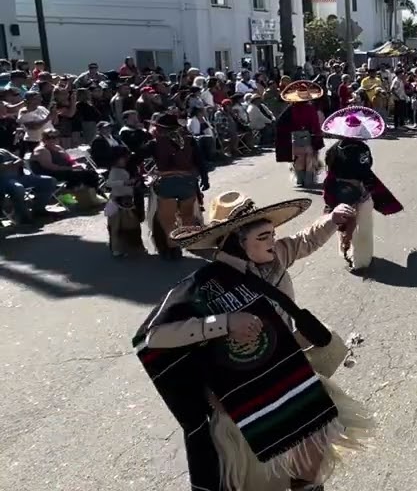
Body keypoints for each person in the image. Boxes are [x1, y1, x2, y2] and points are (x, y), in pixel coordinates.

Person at [133, 192, 373, 491]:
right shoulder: (203, 285)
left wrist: (331, 219)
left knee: (310, 458)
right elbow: (155, 335)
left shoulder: (273, 258)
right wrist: (223, 324)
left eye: (273, 233)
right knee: (263, 479)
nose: (274, 241)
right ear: (237, 241)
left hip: (289, 377)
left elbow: (303, 241)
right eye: (264, 236)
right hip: (242, 397)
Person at [321, 106, 403, 275]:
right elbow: (366, 169)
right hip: (360, 192)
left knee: (343, 223)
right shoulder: (363, 149)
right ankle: (361, 260)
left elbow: (329, 170)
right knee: (363, 228)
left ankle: (345, 249)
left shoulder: (334, 149)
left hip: (338, 192)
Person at [148, 113, 209, 259]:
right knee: (187, 215)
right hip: (187, 181)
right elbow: (200, 160)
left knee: (168, 220)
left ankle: (174, 248)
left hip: (166, 182)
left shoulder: (155, 143)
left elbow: (135, 158)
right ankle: (190, 242)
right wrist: (205, 179)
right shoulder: (189, 140)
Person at [274, 81, 326, 188]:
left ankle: (300, 180)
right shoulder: (310, 108)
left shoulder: (290, 109)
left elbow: (281, 123)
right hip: (308, 135)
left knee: (298, 159)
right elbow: (315, 124)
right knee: (310, 159)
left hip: (294, 137)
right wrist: (318, 135)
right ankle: (309, 181)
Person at [103, 145, 146, 257]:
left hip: (127, 202)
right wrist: (123, 183)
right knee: (116, 228)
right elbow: (108, 183)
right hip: (117, 203)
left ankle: (132, 248)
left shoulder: (124, 170)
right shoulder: (114, 171)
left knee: (132, 227)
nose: (126, 160)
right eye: (123, 158)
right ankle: (117, 249)